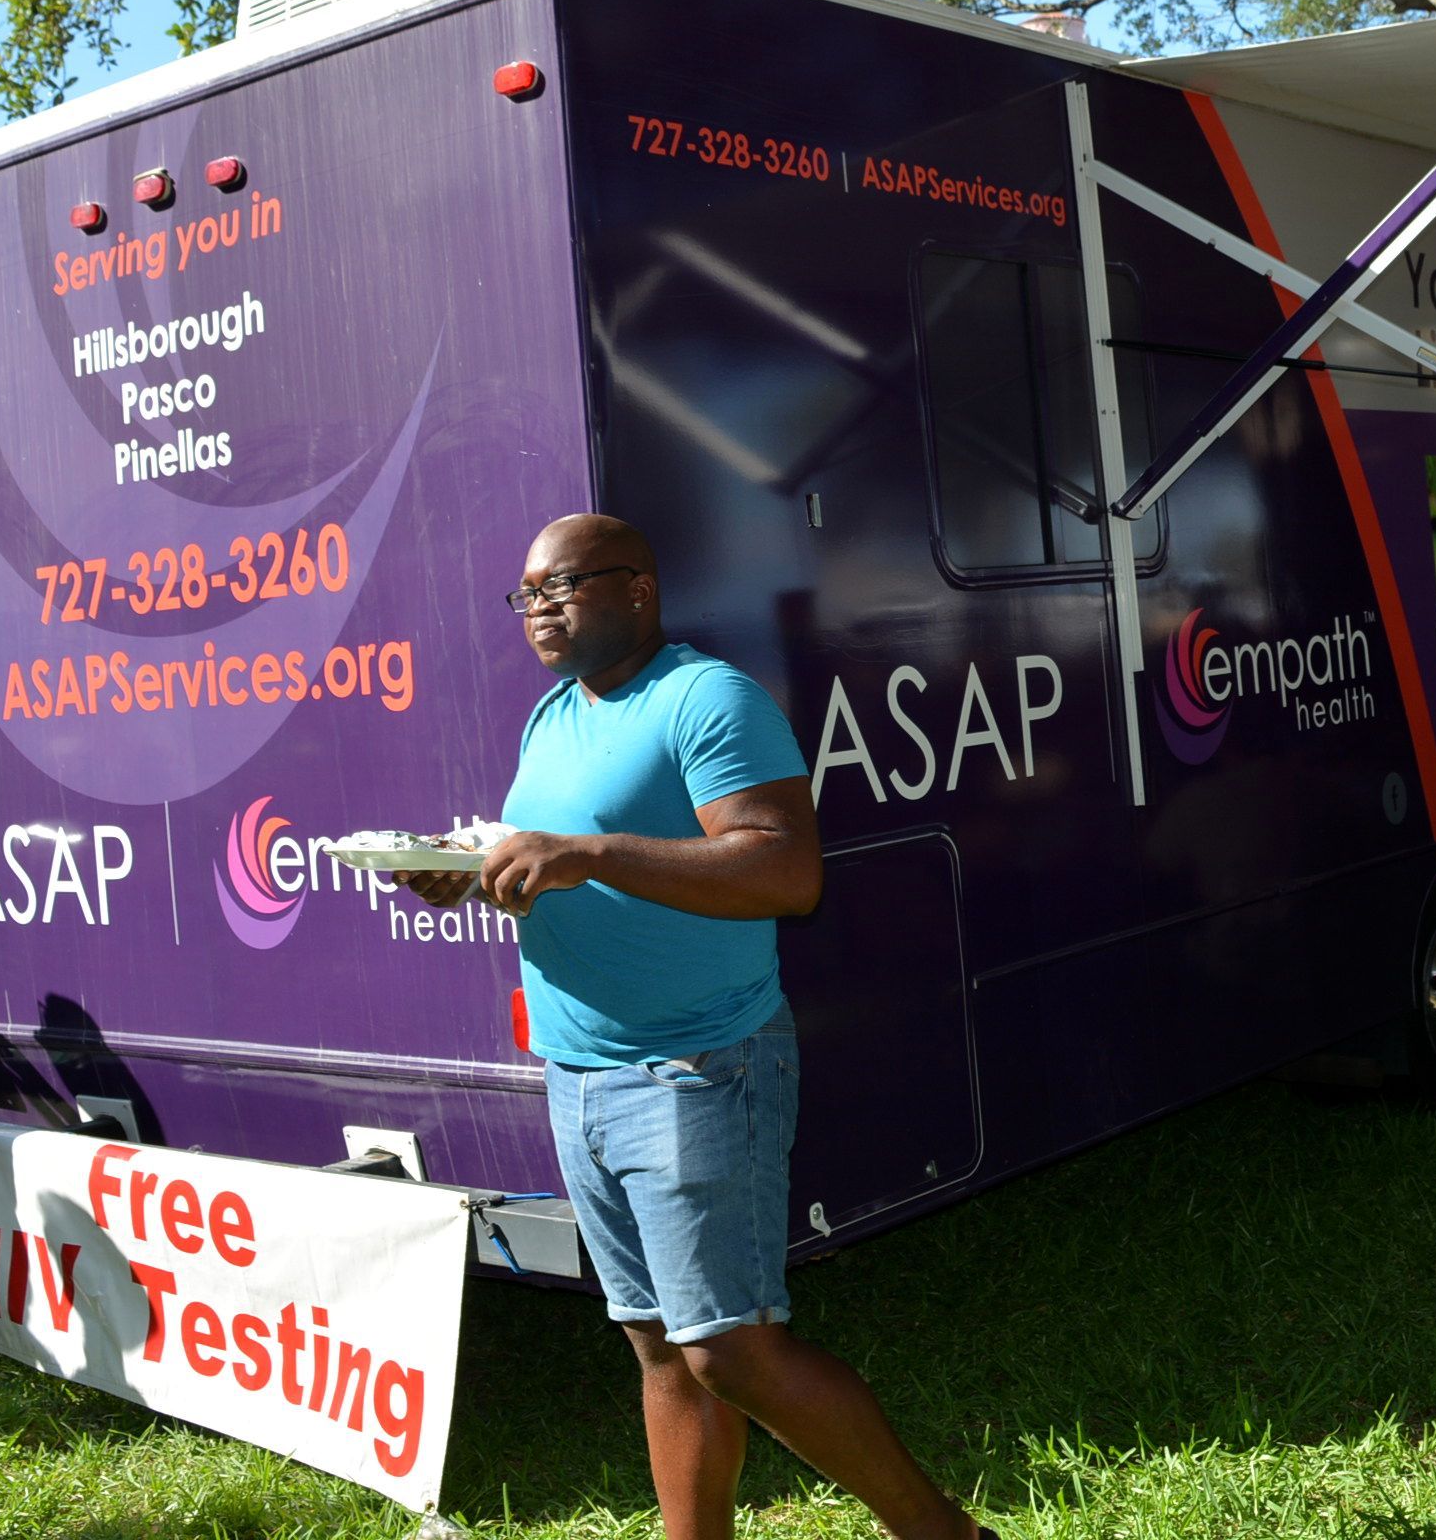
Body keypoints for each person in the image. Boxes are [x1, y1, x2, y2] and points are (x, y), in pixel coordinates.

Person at [406, 515, 995, 1540]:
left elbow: (785, 867)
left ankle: (945, 1536)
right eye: (526, 594)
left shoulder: (707, 698)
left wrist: (587, 854)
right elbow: (555, 860)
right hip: (579, 1073)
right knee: (662, 1347)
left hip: (696, 1066)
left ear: (638, 587)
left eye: (561, 586)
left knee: (730, 1349)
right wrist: (470, 872)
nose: (538, 608)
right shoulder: (554, 714)